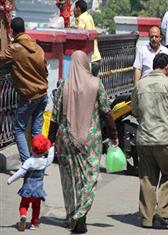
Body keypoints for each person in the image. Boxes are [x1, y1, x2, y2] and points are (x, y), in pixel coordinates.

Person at [48, 50, 119, 233]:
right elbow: (106, 112)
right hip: (90, 137)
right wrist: (113, 135)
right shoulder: (96, 84)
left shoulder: (64, 85)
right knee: (90, 177)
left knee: (69, 179)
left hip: (66, 138)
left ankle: (72, 216)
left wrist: (49, 141)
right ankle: (81, 212)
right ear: (86, 64)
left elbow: (55, 117)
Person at [131, 53, 168, 229]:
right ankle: (162, 213)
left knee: (147, 178)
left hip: (145, 138)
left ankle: (147, 218)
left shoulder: (140, 85)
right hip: (165, 138)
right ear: (166, 68)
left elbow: (135, 110)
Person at [0, 17, 48, 162]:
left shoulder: (15, 49)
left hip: (29, 97)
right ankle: (38, 159)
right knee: (36, 130)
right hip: (43, 94)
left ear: (13, 32)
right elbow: (45, 70)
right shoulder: (37, 47)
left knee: (18, 129)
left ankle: (27, 163)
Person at [7, 135, 55, 231]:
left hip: (27, 190)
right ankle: (34, 223)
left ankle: (23, 216)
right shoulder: (45, 162)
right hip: (38, 191)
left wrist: (10, 180)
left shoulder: (29, 161)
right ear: (45, 151)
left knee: (24, 205)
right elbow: (51, 156)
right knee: (36, 207)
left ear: (31, 148)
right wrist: (52, 147)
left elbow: (20, 173)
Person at [74, 0, 102, 76]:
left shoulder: (82, 18)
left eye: (74, 8)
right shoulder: (89, 16)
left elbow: (79, 35)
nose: (73, 10)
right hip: (97, 57)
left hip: (91, 59)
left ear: (78, 8)